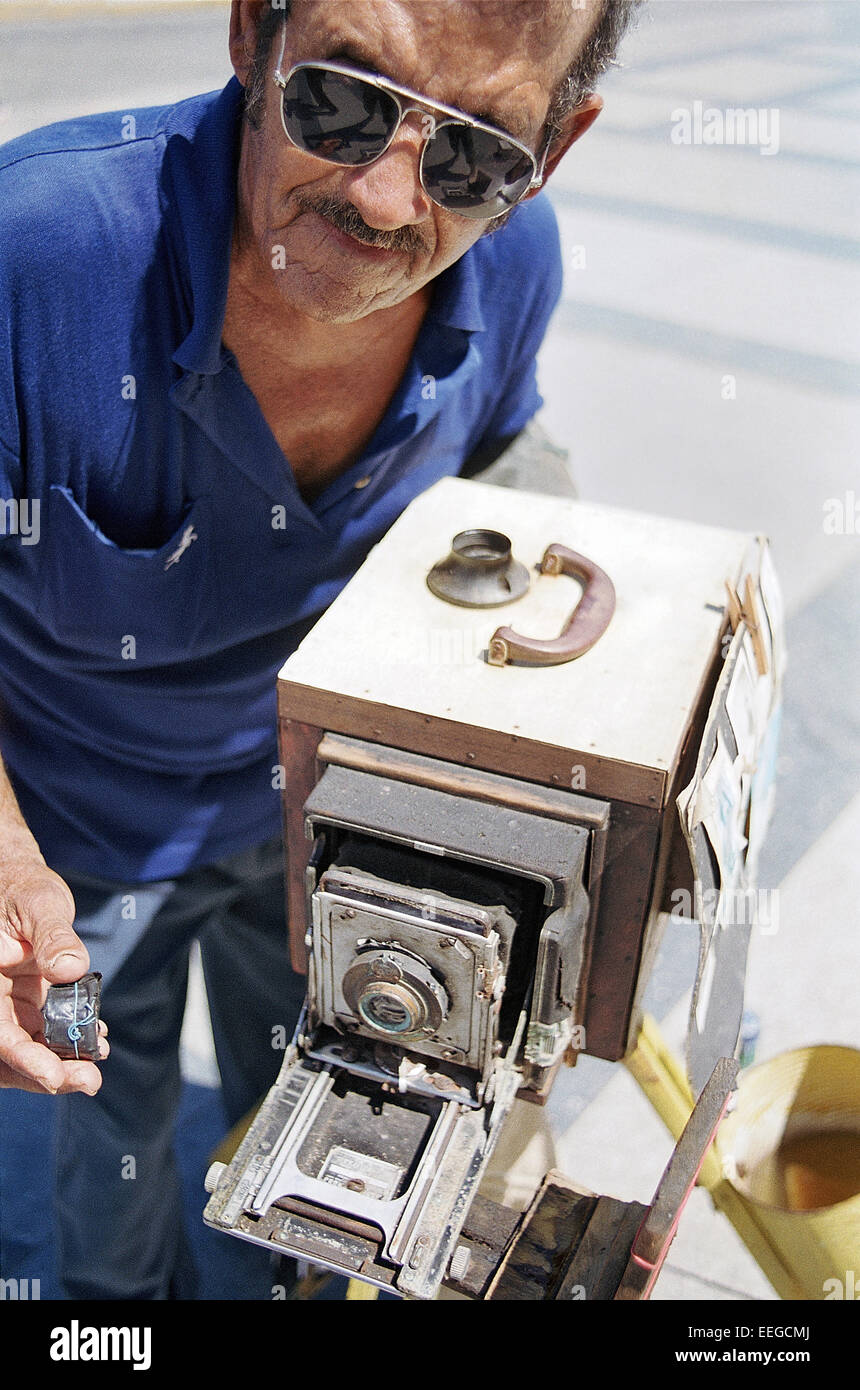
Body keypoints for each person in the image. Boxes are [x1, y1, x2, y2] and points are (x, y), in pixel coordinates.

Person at [0, 0, 640, 1299]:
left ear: (553, 155)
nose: (393, 198)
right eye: (342, 102)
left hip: (312, 839)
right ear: (253, 31)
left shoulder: (513, 264)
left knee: (307, 1156)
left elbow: (504, 445)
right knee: (100, 1161)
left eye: (474, 160)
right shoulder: (35, 263)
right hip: (65, 886)